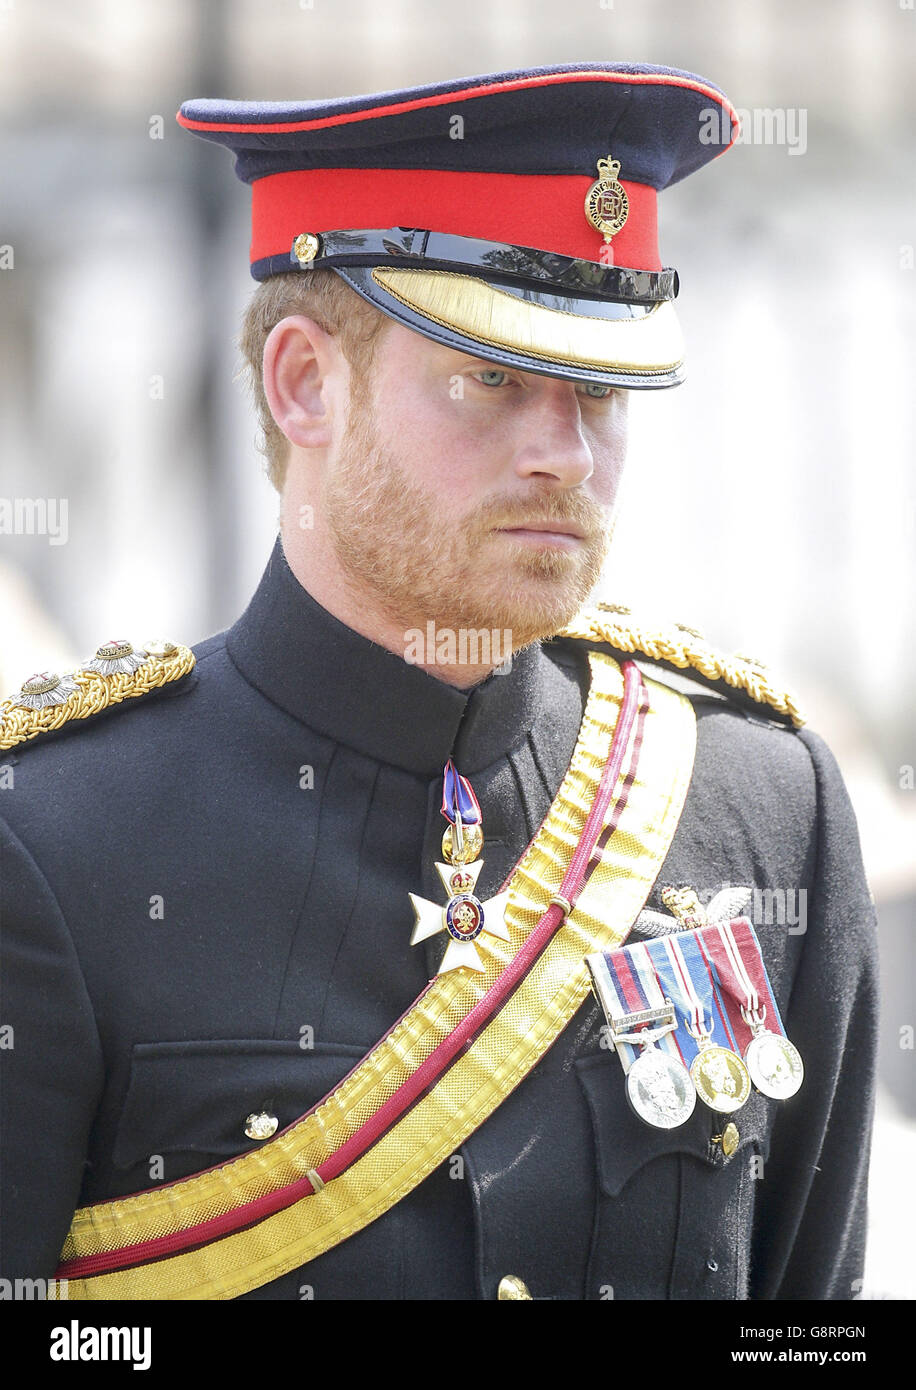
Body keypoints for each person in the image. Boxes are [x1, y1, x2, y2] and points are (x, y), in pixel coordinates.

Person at [0, 62, 877, 1302]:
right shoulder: (51, 842)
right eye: (491, 379)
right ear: (304, 383)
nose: (563, 455)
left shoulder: (758, 808)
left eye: (601, 391)